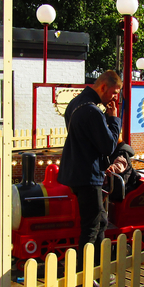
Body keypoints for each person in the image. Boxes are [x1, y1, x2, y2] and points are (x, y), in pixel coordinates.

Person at [58, 70, 123, 251]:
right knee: (92, 226)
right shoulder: (93, 111)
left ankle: (96, 268)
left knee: (100, 220)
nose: (115, 98)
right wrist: (114, 119)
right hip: (88, 174)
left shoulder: (74, 104)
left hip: (74, 172)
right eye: (114, 93)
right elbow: (109, 146)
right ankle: (86, 272)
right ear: (103, 87)